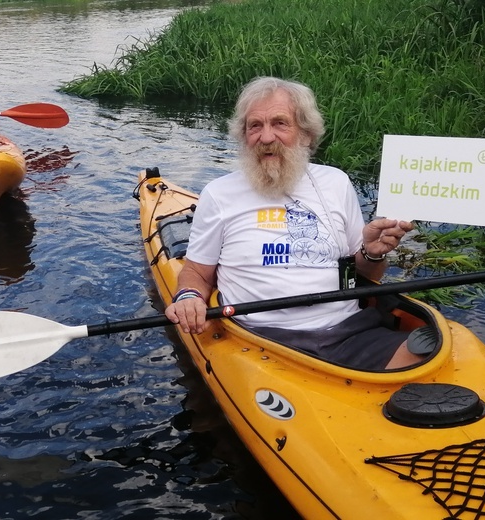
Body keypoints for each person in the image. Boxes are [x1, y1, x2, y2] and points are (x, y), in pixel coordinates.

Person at [165, 76, 422, 371]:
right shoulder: (219, 194)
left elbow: (362, 273)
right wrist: (188, 296)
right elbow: (196, 271)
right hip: (259, 340)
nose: (266, 137)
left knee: (426, 355)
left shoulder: (336, 183)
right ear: (244, 135)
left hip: (351, 333)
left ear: (306, 134)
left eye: (280, 123)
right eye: (255, 126)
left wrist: (373, 252)